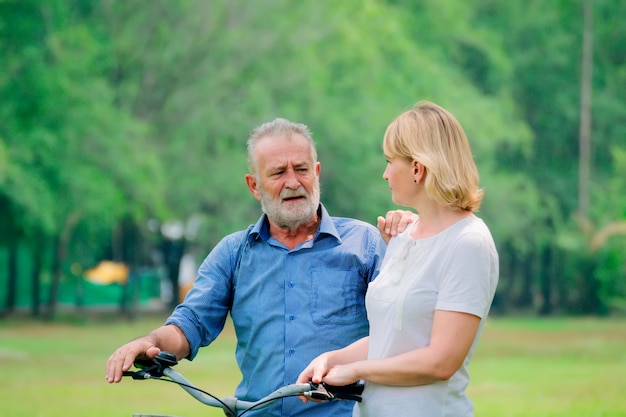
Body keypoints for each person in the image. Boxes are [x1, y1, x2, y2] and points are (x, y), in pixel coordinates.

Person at [106, 117, 416, 417]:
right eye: (278, 172)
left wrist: (411, 239)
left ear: (317, 173)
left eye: (302, 169)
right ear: (254, 186)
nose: (292, 182)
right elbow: (191, 324)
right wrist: (150, 343)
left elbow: (402, 330)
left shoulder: (367, 244)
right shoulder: (233, 253)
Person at [297, 101, 499, 417]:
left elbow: (441, 361)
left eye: (391, 161)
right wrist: (335, 359)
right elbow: (390, 341)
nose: (385, 173)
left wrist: (355, 371)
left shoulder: (468, 243)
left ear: (417, 168)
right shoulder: (403, 238)